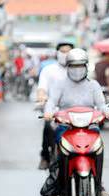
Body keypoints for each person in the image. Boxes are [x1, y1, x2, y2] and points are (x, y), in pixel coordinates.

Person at [43, 48, 109, 196]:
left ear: (86, 67)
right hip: (66, 126)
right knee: (58, 150)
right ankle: (55, 184)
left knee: (98, 148)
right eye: (73, 66)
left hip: (89, 126)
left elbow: (101, 104)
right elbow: (51, 102)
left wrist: (106, 112)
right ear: (68, 66)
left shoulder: (93, 85)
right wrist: (49, 112)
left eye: (80, 65)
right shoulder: (59, 84)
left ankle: (99, 185)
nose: (77, 69)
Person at [36, 42, 74, 170]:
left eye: (68, 51)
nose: (65, 54)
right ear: (57, 53)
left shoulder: (78, 69)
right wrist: (42, 97)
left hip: (76, 111)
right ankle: (45, 156)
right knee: (48, 127)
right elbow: (42, 88)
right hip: (54, 109)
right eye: (62, 51)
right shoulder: (48, 70)